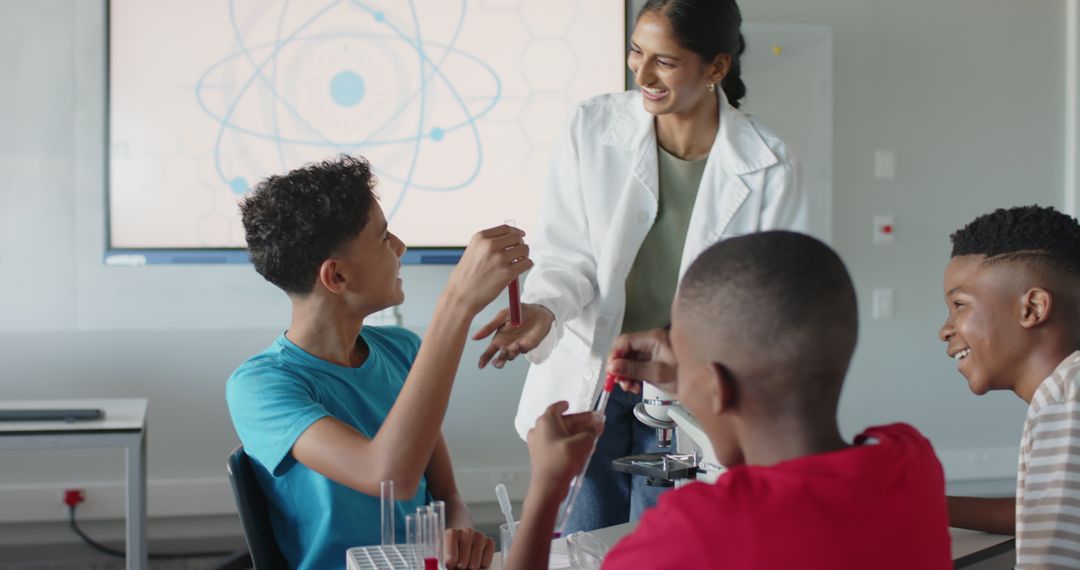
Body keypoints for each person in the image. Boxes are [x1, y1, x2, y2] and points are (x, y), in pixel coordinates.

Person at [473, 0, 807, 532]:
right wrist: (543, 310)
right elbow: (569, 255)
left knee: (668, 547)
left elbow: (765, 303)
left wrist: (685, 346)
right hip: (593, 378)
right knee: (582, 546)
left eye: (665, 61)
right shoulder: (592, 126)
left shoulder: (768, 163)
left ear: (716, 68)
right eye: (636, 51)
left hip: (687, 388)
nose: (642, 73)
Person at [506, 231, 953, 570]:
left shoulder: (689, 535)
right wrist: (700, 383)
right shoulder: (911, 461)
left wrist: (547, 488)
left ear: (718, 389)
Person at [226, 155, 531, 570]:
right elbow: (391, 477)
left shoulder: (401, 349)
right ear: (336, 277)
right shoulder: (260, 386)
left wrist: (456, 533)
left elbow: (446, 497)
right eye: (385, 237)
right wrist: (457, 303)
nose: (400, 248)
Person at [940, 205, 1080, 567]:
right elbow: (1044, 513)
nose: (945, 329)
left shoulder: (1065, 399)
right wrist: (921, 504)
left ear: (1032, 308)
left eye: (959, 305)